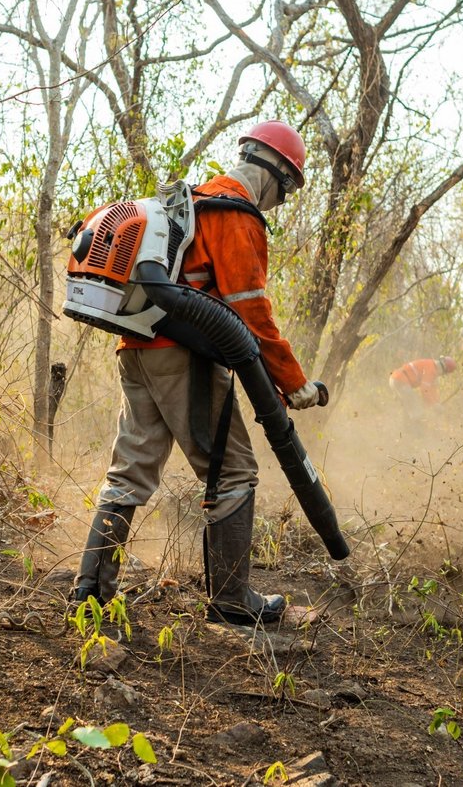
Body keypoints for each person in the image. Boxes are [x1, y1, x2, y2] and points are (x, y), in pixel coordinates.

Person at [72, 120, 322, 625]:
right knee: (234, 471)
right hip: (183, 356)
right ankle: (232, 601)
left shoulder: (189, 201)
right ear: (277, 172)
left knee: (131, 468)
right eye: (288, 189)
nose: (281, 201)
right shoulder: (236, 214)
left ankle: (90, 592)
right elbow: (251, 311)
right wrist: (294, 385)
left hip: (137, 347)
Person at [388, 356, 458, 406]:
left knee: (408, 407)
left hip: (396, 379)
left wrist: (436, 403)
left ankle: (405, 425)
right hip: (400, 380)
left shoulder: (432, 366)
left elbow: (432, 390)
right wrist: (434, 405)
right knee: (415, 404)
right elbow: (424, 389)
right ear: (445, 370)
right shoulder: (431, 369)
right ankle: (416, 426)